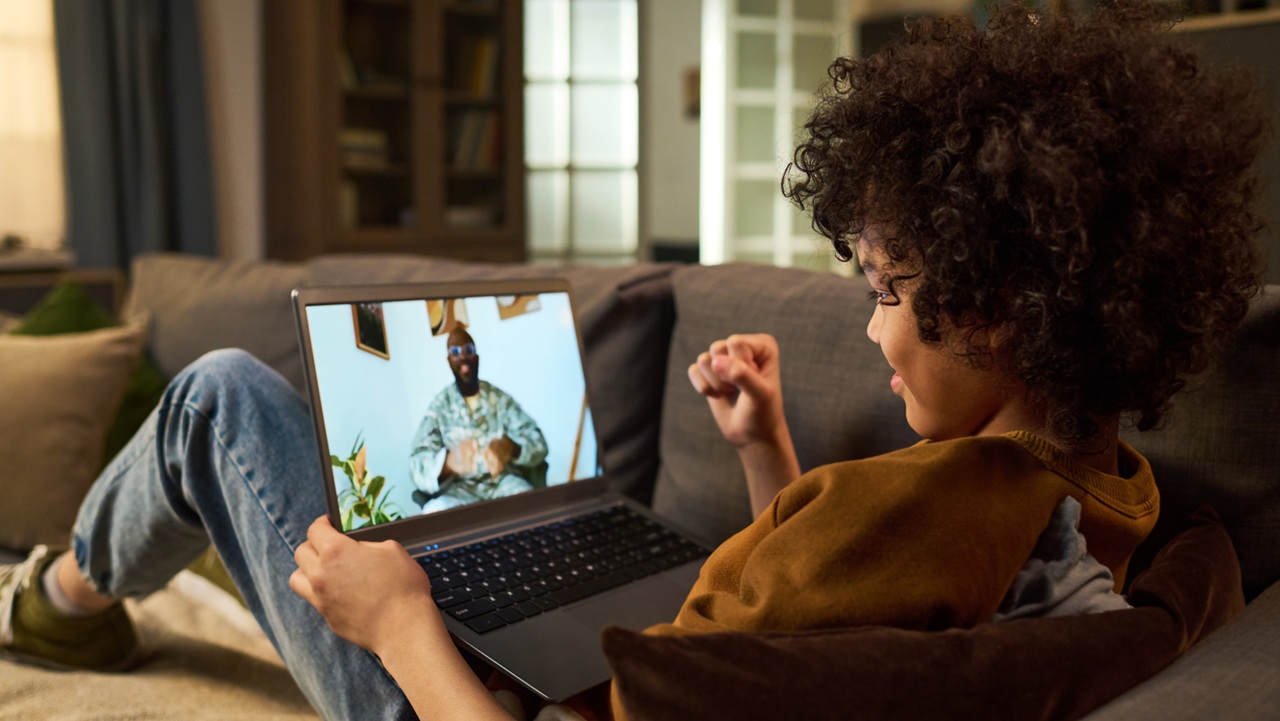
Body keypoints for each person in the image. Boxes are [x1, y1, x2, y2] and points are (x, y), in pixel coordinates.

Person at [0, 3, 1267, 720]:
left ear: (998, 309)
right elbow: (822, 614)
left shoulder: (939, 499)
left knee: (219, 394)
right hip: (593, 633)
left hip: (455, 698)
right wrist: (766, 447)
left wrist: (396, 622)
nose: (872, 329)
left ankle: (60, 602)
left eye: (888, 293)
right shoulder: (1084, 494)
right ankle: (89, 586)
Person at [409, 323, 549, 513]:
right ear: (449, 361)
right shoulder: (439, 407)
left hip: (503, 484)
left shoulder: (500, 400)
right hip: (459, 491)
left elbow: (539, 443)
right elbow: (416, 465)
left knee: (535, 508)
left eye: (469, 350)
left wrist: (511, 448)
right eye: (455, 352)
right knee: (434, 513)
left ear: (477, 357)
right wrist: (448, 463)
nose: (463, 356)